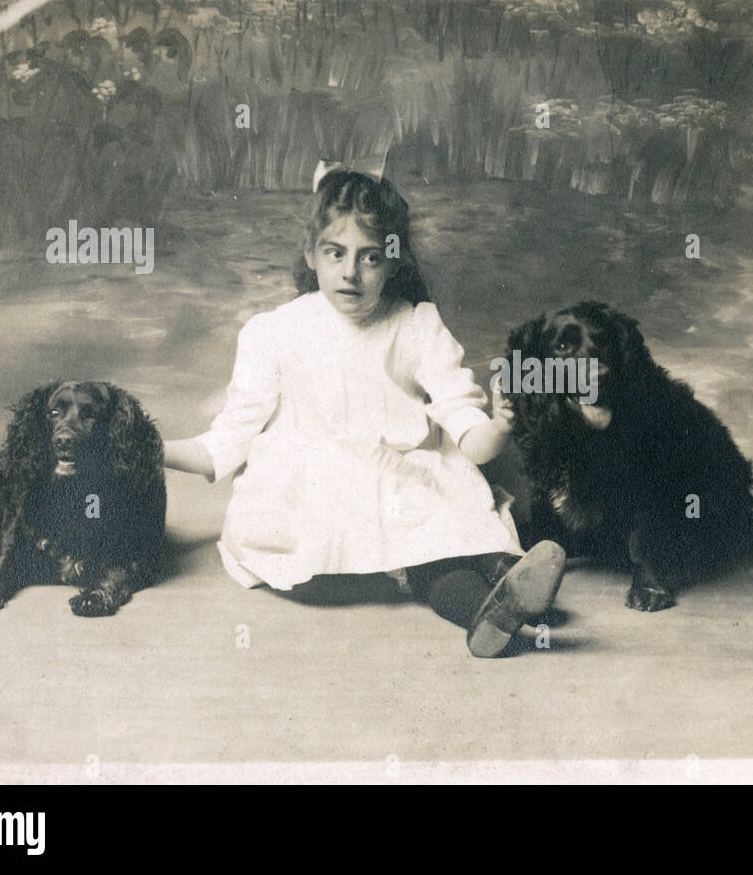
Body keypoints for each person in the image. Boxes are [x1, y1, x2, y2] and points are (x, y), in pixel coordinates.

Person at [164, 164, 564, 658]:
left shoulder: (416, 324)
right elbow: (225, 443)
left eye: (370, 257)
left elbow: (470, 438)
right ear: (311, 254)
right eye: (336, 253)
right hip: (315, 495)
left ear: (393, 263)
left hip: (401, 481)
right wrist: (152, 446)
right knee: (424, 560)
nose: (350, 272)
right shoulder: (273, 332)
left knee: (441, 535)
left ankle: (503, 600)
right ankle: (495, 595)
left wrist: (502, 423)